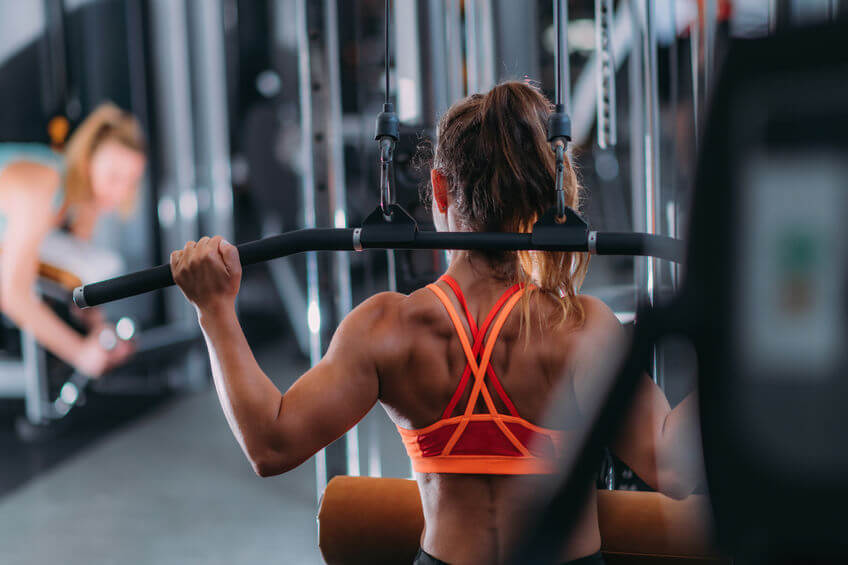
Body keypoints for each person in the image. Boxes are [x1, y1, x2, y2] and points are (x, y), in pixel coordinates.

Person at [171, 82, 702, 565]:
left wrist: (214, 311)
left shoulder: (387, 328)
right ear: (551, 194)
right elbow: (674, 470)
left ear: (440, 190)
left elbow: (270, 444)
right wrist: (749, 322)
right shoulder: (581, 329)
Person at [0, 103, 146, 378]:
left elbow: (81, 283)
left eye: (129, 182)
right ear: (86, 160)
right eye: (114, 177)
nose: (120, 193)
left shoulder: (68, 198)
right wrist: (80, 353)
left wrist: (97, 328)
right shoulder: (43, 184)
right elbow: (13, 294)